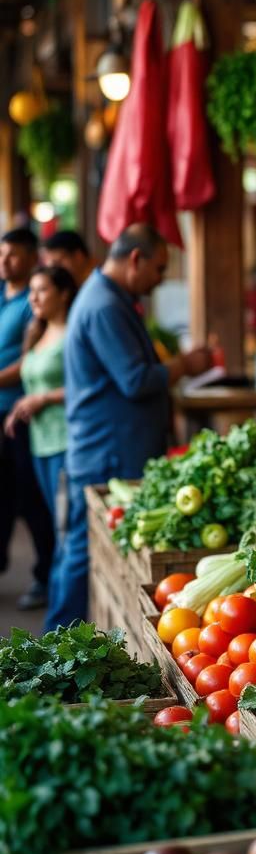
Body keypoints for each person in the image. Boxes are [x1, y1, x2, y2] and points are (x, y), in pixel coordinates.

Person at [48, 223, 211, 629]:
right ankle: (51, 644)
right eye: (158, 269)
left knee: (84, 550)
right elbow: (135, 380)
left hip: (111, 444)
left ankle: (62, 638)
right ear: (135, 259)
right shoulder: (104, 305)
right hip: (109, 449)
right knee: (82, 551)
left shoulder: (111, 298)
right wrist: (184, 366)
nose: (158, 281)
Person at [4, 265, 76, 620]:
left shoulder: (72, 334)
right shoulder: (38, 331)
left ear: (63, 293)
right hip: (39, 445)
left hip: (65, 443)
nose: (32, 297)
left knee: (65, 532)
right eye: (31, 290)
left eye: (42, 290)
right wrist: (20, 405)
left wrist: (43, 399)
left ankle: (62, 620)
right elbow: (30, 378)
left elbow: (85, 385)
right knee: (52, 525)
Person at [0, 228, 55, 610]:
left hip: (18, 414)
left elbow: (28, 361)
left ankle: (42, 576)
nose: (5, 262)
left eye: (14, 255)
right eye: (2, 254)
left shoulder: (30, 305)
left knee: (28, 498)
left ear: (33, 257)